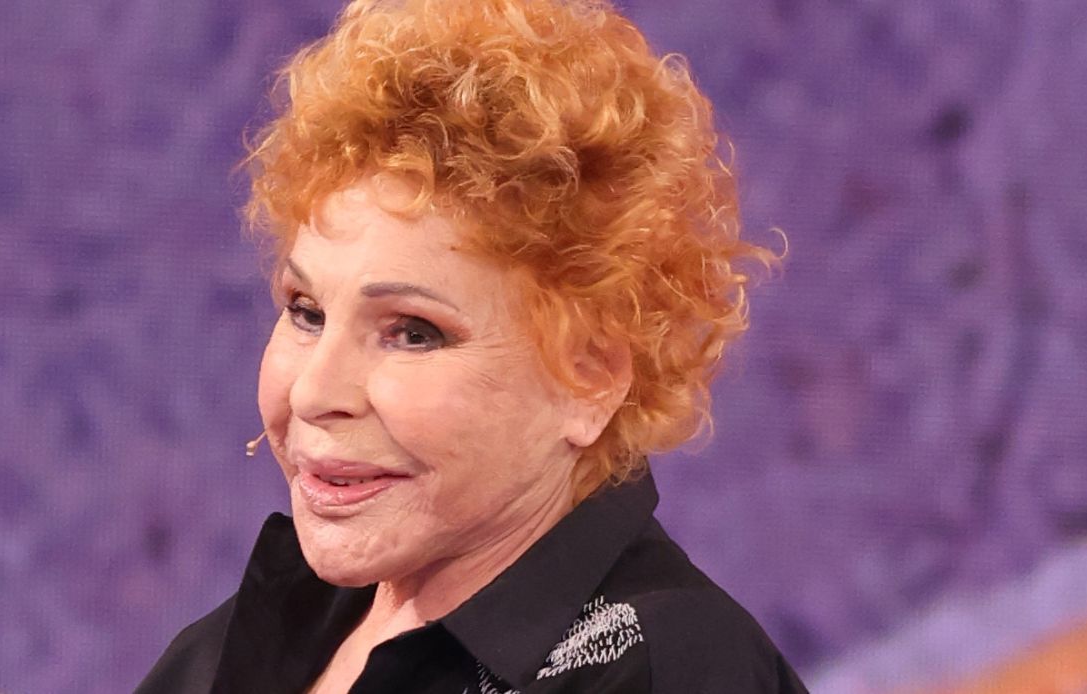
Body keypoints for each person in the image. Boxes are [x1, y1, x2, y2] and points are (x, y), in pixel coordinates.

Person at [139, 0, 807, 691]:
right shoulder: (227, 650)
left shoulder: (666, 672)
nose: (314, 392)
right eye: (306, 313)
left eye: (412, 333)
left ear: (587, 378)